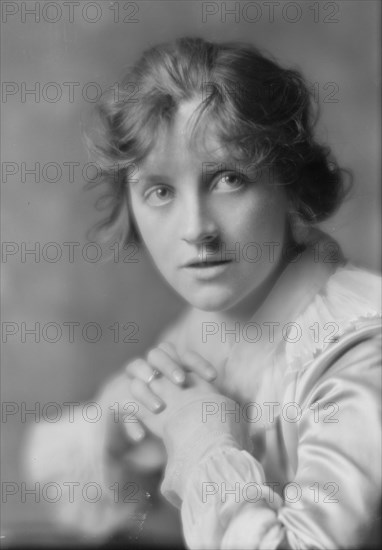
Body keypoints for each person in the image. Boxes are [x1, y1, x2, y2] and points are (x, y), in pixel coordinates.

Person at [25, 37, 381, 549]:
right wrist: (123, 423)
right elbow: (87, 491)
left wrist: (204, 444)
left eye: (229, 178)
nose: (196, 229)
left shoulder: (357, 348)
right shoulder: (212, 325)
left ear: (291, 186)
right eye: (161, 191)